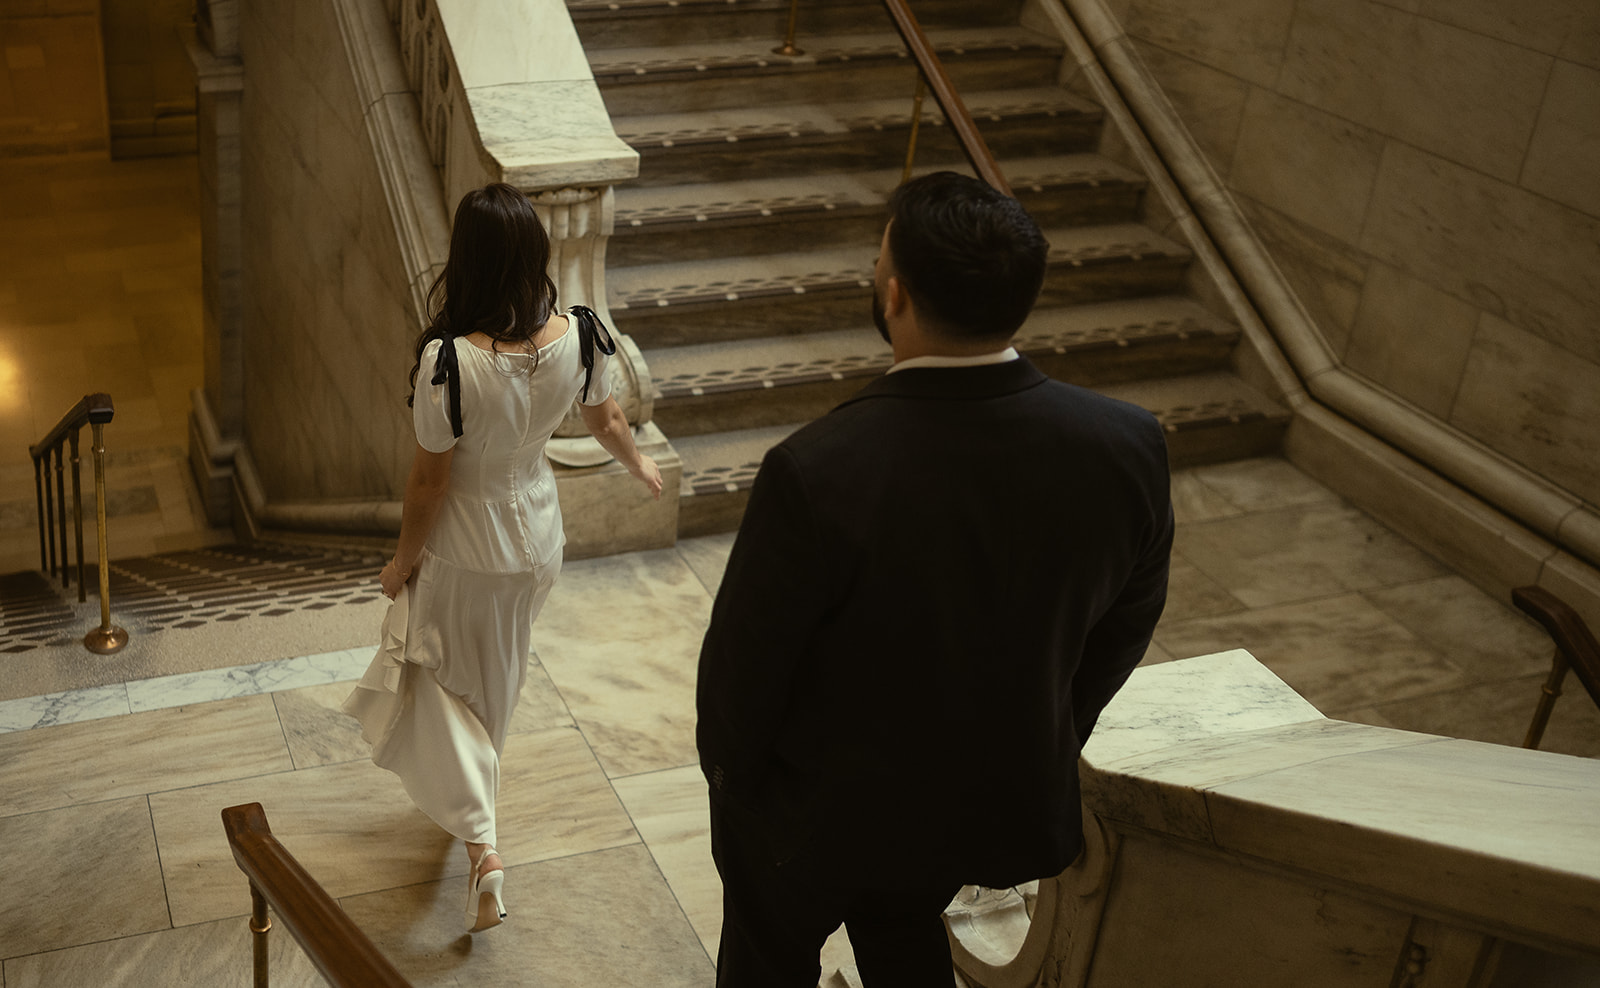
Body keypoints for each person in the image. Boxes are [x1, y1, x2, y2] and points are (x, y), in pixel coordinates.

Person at [696, 171, 1173, 986]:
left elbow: (742, 676)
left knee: (766, 967)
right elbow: (1127, 622)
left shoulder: (818, 470)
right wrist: (1047, 731)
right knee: (908, 944)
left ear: (894, 296)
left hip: (808, 819)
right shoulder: (1126, 445)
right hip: (976, 806)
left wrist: (739, 796)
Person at [345, 183, 662, 934]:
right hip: (537, 538)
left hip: (466, 546)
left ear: (467, 260)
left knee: (436, 679)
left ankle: (484, 845)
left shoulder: (448, 363)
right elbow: (608, 417)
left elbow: (430, 483)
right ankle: (476, 823)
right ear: (533, 255)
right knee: (497, 680)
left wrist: (400, 566)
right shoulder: (579, 334)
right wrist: (637, 464)